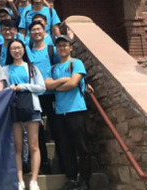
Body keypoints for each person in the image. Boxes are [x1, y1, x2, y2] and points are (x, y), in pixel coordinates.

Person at [46, 35, 90, 190]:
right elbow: (47, 85)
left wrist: (57, 87)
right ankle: (71, 178)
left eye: (65, 45)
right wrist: (62, 81)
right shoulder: (53, 68)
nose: (62, 48)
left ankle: (84, 180)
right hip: (60, 112)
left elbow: (73, 83)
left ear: (70, 48)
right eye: (59, 46)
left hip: (76, 110)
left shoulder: (76, 63)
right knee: (66, 149)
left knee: (82, 147)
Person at [4, 39, 45, 190]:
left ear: (24, 49)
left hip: (32, 107)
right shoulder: (5, 69)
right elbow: (1, 90)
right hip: (13, 109)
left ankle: (34, 180)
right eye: (13, 48)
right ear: (9, 51)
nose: (17, 51)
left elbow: (41, 87)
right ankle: (20, 180)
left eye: (19, 48)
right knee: (17, 146)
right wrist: (10, 88)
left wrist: (22, 86)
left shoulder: (32, 67)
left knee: (34, 146)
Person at [28, 21, 59, 174]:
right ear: (30, 34)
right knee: (38, 133)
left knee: (57, 130)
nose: (36, 32)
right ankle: (43, 164)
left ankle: (61, 162)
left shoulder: (52, 50)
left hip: (52, 95)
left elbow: (63, 66)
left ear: (44, 31)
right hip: (35, 96)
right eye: (33, 30)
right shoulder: (28, 52)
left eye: (39, 29)